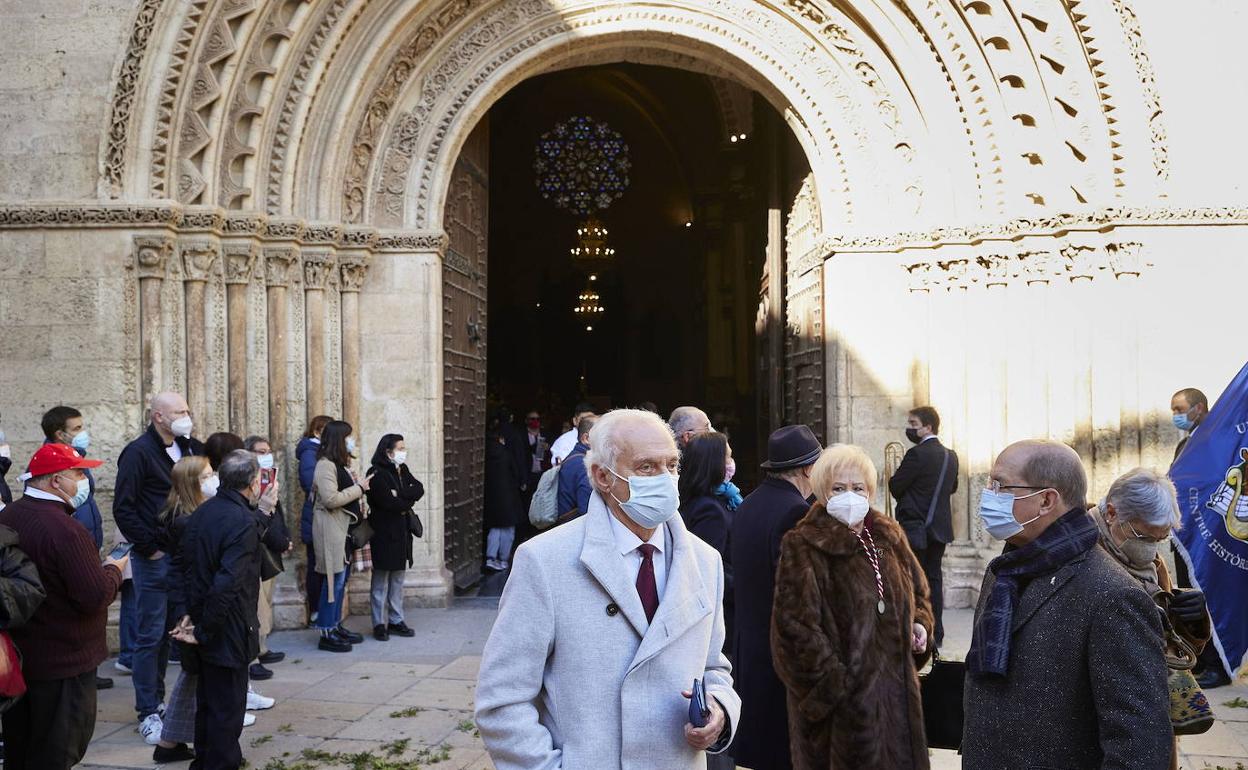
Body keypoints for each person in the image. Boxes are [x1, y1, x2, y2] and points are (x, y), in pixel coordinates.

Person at [476, 408, 739, 768]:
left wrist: (720, 711)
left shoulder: (705, 561)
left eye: (671, 466)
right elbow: (502, 700)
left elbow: (714, 668)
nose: (664, 479)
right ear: (602, 476)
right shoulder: (545, 561)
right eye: (647, 467)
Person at [962, 440, 1170, 770]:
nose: (989, 494)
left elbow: (1139, 744)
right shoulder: (1004, 571)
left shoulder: (1113, 595)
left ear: (1046, 500)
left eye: (1000, 485)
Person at [771, 444, 933, 770]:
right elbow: (793, 629)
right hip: (841, 722)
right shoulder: (803, 543)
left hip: (897, 709)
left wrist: (920, 626)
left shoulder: (890, 535)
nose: (850, 495)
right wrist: (837, 689)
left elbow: (920, 594)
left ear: (870, 491)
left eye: (858, 487)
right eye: (839, 488)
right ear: (821, 491)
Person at [0, 443, 123, 769]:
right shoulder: (66, 530)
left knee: (21, 751)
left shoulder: (10, 514)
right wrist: (115, 570)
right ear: (55, 480)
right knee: (57, 753)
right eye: (78, 473)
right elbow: (94, 596)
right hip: (63, 664)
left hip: (22, 661)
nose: (84, 479)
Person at [1092, 467, 1212, 769]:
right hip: (1103, 710)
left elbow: (1175, 647)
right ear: (1111, 513)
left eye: (1160, 538)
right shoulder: (1080, 551)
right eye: (1144, 536)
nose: (1150, 548)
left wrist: (1193, 620)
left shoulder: (1151, 562)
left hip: (1148, 702)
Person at [113, 391, 204, 743]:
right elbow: (125, 506)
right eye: (179, 411)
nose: (186, 415)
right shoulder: (138, 453)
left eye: (186, 408)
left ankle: (167, 702)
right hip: (156, 557)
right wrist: (149, 547)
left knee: (174, 630)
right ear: (158, 417)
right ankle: (148, 710)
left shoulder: (190, 445)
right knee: (150, 636)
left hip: (185, 553)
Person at [729, 424, 821, 770]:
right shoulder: (793, 511)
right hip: (779, 657)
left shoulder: (750, 503)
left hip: (749, 648)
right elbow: (796, 594)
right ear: (809, 469)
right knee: (782, 754)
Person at [173, 450, 264, 770]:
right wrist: (204, 630)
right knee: (226, 708)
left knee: (210, 704)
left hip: (204, 620)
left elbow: (185, 569)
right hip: (222, 625)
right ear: (253, 483)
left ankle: (208, 761)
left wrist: (191, 618)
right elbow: (228, 582)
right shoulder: (240, 520)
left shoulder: (203, 512)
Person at [40, 405, 112, 690]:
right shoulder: (51, 462)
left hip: (87, 538)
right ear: (60, 433)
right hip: (73, 542)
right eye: (77, 429)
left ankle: (89, 667)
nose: (83, 434)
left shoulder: (75, 457)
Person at [151, 456, 214, 764]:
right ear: (191, 483)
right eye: (206, 475)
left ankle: (170, 742)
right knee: (194, 673)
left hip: (188, 603)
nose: (212, 479)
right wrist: (186, 611)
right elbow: (185, 569)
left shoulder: (190, 514)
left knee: (194, 674)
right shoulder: (186, 520)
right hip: (191, 604)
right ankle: (171, 740)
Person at [888, 405, 959, 650]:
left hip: (915, 527)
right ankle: (936, 632)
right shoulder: (951, 456)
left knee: (913, 581)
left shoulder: (917, 454)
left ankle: (917, 629)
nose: (910, 428)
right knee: (934, 579)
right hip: (939, 529)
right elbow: (952, 488)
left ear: (928, 427)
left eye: (913, 424)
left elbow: (896, 486)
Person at [311, 420, 368, 652]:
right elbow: (330, 499)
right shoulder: (325, 465)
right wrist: (360, 488)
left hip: (343, 530)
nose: (351, 441)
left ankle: (335, 625)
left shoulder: (339, 464)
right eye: (348, 437)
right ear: (338, 440)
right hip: (332, 530)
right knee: (332, 582)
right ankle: (326, 630)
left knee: (341, 581)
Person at [678, 432, 736, 650]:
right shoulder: (708, 508)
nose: (731, 463)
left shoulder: (718, 499)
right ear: (713, 463)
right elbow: (709, 567)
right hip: (723, 611)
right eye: (727, 457)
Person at [364, 434, 425, 641]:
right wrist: (403, 498)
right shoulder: (376, 473)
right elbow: (387, 503)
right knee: (381, 580)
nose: (403, 452)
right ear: (388, 452)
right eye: (400, 448)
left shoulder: (402, 470)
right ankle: (379, 623)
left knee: (398, 579)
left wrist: (399, 495)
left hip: (401, 532)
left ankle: (396, 620)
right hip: (383, 532)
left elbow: (419, 489)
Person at [244, 436, 292, 681]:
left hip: (270, 549)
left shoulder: (268, 477)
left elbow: (276, 513)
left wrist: (285, 537)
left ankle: (261, 648)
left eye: (269, 450)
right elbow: (259, 517)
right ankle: (252, 658)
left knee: (266, 601)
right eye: (261, 451)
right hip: (257, 550)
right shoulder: (247, 482)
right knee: (257, 606)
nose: (267, 454)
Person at [297, 415, 332, 625]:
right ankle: (317, 610)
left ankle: (327, 611)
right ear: (317, 432)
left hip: (325, 517)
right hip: (317, 517)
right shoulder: (310, 453)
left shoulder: (321, 453)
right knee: (316, 566)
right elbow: (311, 482)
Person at [484, 415, 524, 572]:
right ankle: (503, 559)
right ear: (501, 438)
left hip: (492, 497)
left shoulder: (484, 453)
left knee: (495, 528)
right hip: (508, 498)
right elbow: (515, 472)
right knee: (508, 529)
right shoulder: (506, 454)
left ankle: (490, 557)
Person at [555, 415, 595, 521]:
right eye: (603, 435)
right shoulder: (584, 464)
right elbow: (588, 511)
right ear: (586, 439)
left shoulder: (574, 457)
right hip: (575, 529)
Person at [1171, 387, 1209, 463]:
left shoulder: (1215, 440)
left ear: (1199, 408)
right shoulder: (1183, 445)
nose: (1175, 415)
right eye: (1173, 411)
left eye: (1179, 409)